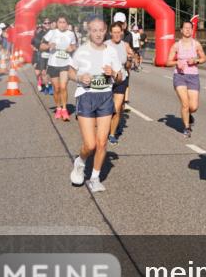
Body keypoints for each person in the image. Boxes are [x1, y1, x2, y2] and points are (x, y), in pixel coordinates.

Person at [68, 17, 126, 193]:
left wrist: (114, 73)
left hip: (105, 97)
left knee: (102, 143)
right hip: (86, 97)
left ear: (105, 30)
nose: (98, 33)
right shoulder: (82, 51)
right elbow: (70, 71)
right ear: (89, 32)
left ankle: (95, 177)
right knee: (90, 145)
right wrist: (79, 78)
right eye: (94, 30)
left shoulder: (111, 52)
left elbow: (121, 76)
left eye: (101, 30)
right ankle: (80, 161)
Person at [168, 19, 206, 138]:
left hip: (193, 76)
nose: (188, 30)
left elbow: (204, 58)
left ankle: (189, 114)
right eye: (185, 28)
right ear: (181, 30)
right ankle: (186, 127)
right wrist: (176, 62)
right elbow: (167, 61)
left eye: (190, 28)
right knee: (185, 104)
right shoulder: (176, 45)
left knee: (193, 106)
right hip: (179, 76)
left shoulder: (196, 44)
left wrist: (196, 60)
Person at [41, 15, 78, 120]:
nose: (62, 24)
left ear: (67, 24)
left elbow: (75, 46)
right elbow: (41, 46)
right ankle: (58, 108)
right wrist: (49, 46)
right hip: (53, 64)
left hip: (65, 64)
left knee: (63, 86)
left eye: (64, 22)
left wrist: (72, 48)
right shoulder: (52, 33)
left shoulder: (71, 34)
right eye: (60, 22)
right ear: (57, 23)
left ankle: (65, 109)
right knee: (56, 89)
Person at [107, 22, 135, 145]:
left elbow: (128, 66)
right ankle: (105, 128)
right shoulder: (105, 45)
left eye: (119, 32)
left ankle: (112, 134)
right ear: (110, 33)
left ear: (122, 33)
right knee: (106, 108)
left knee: (117, 108)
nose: (117, 35)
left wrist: (130, 59)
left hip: (121, 79)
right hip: (107, 80)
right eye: (115, 32)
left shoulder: (125, 45)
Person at [32, 18, 53, 93]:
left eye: (48, 23)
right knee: (39, 73)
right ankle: (40, 82)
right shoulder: (39, 33)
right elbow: (34, 43)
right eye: (45, 23)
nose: (47, 24)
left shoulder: (54, 32)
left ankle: (49, 87)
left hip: (51, 55)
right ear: (43, 24)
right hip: (40, 54)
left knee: (48, 72)